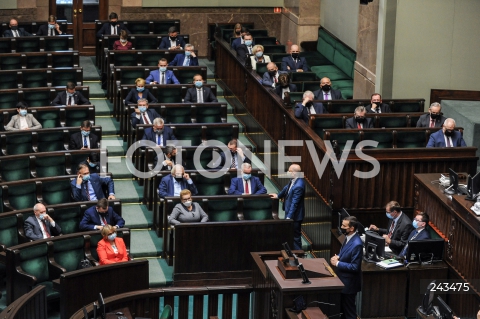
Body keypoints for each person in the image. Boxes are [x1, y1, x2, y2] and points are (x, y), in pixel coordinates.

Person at [330, 216, 363, 319]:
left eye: (344, 226)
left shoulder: (357, 244)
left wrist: (338, 263)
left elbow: (355, 267)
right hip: (342, 280)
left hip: (349, 284)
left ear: (351, 228)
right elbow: (344, 251)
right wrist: (338, 256)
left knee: (349, 313)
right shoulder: (348, 237)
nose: (341, 227)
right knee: (343, 311)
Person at [270, 164, 305, 250]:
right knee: (289, 235)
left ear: (294, 173)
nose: (287, 172)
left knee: (295, 237)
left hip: (295, 216)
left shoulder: (299, 185)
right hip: (290, 213)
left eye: (289, 171)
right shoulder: (294, 180)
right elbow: (287, 188)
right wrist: (278, 196)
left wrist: (289, 217)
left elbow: (294, 203)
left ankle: (299, 255)